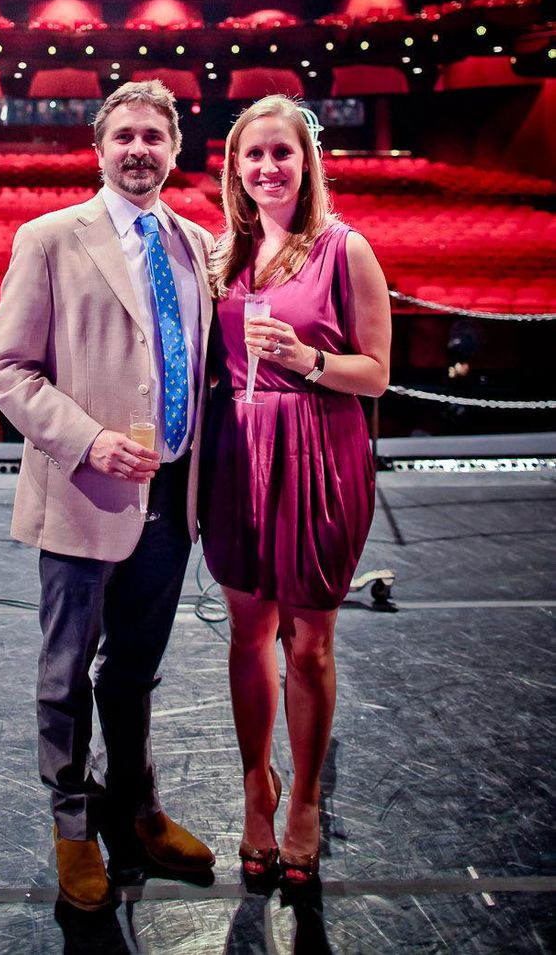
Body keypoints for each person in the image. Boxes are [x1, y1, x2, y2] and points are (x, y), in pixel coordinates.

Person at [0, 79, 215, 911]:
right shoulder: (50, 237)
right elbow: (6, 371)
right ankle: (74, 823)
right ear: (98, 146)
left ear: (176, 148)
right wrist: (88, 438)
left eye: (154, 135)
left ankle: (137, 809)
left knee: (136, 671)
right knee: (65, 673)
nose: (138, 149)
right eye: (124, 135)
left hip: (172, 499)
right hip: (82, 492)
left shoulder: (195, 243)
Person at [200, 94, 391, 887]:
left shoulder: (347, 251)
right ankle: (256, 790)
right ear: (234, 170)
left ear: (307, 161)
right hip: (238, 454)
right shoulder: (220, 256)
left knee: (308, 643)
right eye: (254, 155)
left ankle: (305, 799)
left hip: (320, 447)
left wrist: (308, 359)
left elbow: (377, 375)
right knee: (248, 634)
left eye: (282, 152)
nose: (268, 167)